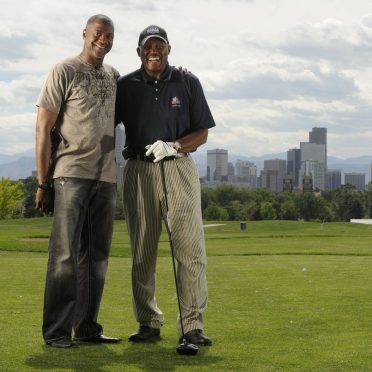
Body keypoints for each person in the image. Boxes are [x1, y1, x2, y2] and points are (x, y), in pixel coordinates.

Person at [116, 25, 215, 346]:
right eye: (147, 46)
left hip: (177, 168)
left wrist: (174, 146)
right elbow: (104, 120)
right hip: (138, 170)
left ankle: (192, 325)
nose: (153, 51)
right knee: (142, 251)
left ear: (169, 48)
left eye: (159, 45)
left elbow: (202, 132)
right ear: (139, 51)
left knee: (189, 249)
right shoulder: (125, 85)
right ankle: (148, 322)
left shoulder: (187, 82)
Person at [35, 14, 121, 348]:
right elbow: (44, 127)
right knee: (65, 257)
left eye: (110, 35)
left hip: (106, 178)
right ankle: (57, 332)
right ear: (85, 33)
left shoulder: (113, 76)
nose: (104, 39)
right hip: (70, 174)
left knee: (96, 257)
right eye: (99, 33)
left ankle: (87, 327)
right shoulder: (63, 70)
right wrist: (43, 182)